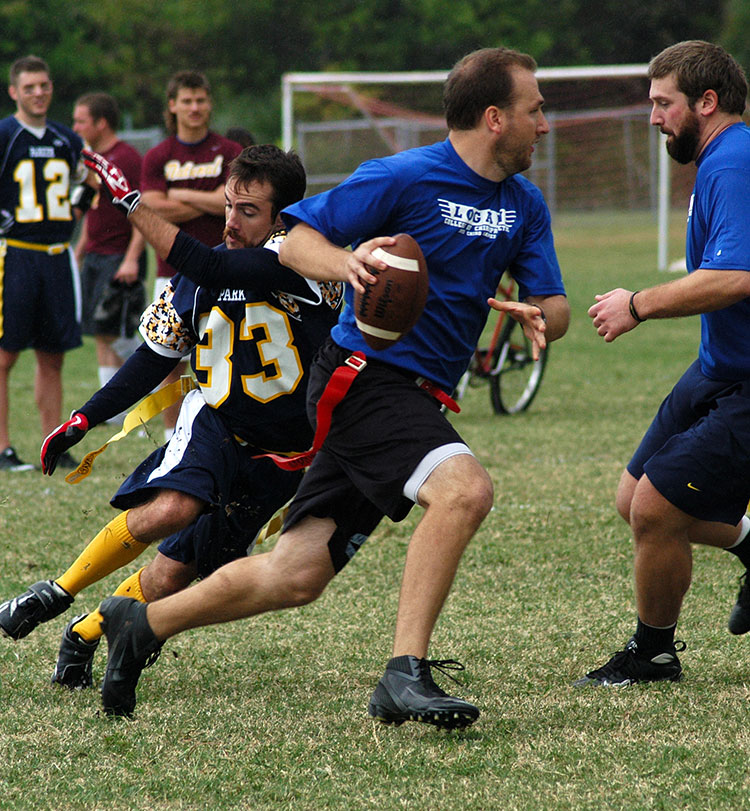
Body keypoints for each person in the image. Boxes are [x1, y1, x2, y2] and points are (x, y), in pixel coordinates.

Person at [92, 46, 570, 725]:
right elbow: (292, 239)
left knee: (295, 574)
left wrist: (534, 312)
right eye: (535, 111)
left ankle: (142, 623)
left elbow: (557, 307)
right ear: (495, 118)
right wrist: (349, 263)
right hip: (365, 377)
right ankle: (404, 673)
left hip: (417, 392)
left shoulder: (523, 203)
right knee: (464, 490)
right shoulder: (403, 177)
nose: (544, 125)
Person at [0, 145, 342, 691]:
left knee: (178, 570)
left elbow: (226, 267)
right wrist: (85, 418)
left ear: (282, 220)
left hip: (286, 449)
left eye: (247, 211)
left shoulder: (304, 263)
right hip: (216, 419)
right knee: (174, 507)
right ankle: (57, 590)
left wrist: (131, 203)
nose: (229, 221)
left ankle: (84, 633)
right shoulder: (202, 272)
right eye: (228, 205)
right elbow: (152, 359)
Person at [579, 40, 750, 687]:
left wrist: (638, 304)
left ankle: (654, 652)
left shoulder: (734, 162)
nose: (653, 117)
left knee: (655, 508)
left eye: (662, 103)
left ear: (706, 102)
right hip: (719, 367)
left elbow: (735, 276)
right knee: (633, 498)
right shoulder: (718, 160)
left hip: (746, 380)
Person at [142, 70, 242, 440]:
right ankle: (173, 438)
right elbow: (150, 207)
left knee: (226, 353)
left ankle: (227, 434)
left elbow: (231, 201)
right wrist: (209, 201)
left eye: (200, 99)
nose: (195, 107)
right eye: (187, 100)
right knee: (170, 358)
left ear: (209, 103)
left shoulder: (229, 152)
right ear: (173, 105)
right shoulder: (159, 155)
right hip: (172, 270)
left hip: (224, 268)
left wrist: (181, 195)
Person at [0, 55, 84, 472]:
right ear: (14, 91)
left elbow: (89, 182)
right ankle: (3, 447)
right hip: (14, 253)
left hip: (55, 256)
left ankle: (52, 443)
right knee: (5, 356)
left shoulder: (67, 139)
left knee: (53, 356)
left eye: (44, 86)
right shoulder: (5, 134)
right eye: (29, 87)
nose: (38, 93)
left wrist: (76, 210)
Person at [72, 93, 147, 412]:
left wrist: (131, 258)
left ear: (101, 123)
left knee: (116, 332)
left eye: (81, 121)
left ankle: (152, 375)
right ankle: (109, 411)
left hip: (119, 256)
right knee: (101, 333)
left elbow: (143, 211)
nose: (74, 127)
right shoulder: (92, 160)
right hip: (96, 255)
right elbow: (93, 209)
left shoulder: (126, 157)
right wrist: (79, 251)